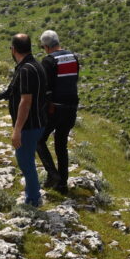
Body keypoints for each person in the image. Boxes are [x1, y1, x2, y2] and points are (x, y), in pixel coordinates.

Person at [35, 30, 80, 193]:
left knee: (38, 140)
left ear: (46, 46)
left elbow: (46, 89)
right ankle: (63, 184)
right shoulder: (73, 57)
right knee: (61, 144)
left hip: (55, 108)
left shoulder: (48, 61)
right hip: (72, 108)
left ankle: (52, 174)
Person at [7, 34, 48, 207]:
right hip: (39, 121)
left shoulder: (25, 69)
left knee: (25, 162)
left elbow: (26, 101)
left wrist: (17, 130)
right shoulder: (36, 65)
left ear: (13, 49)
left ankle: (33, 199)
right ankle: (33, 194)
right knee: (28, 160)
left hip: (28, 125)